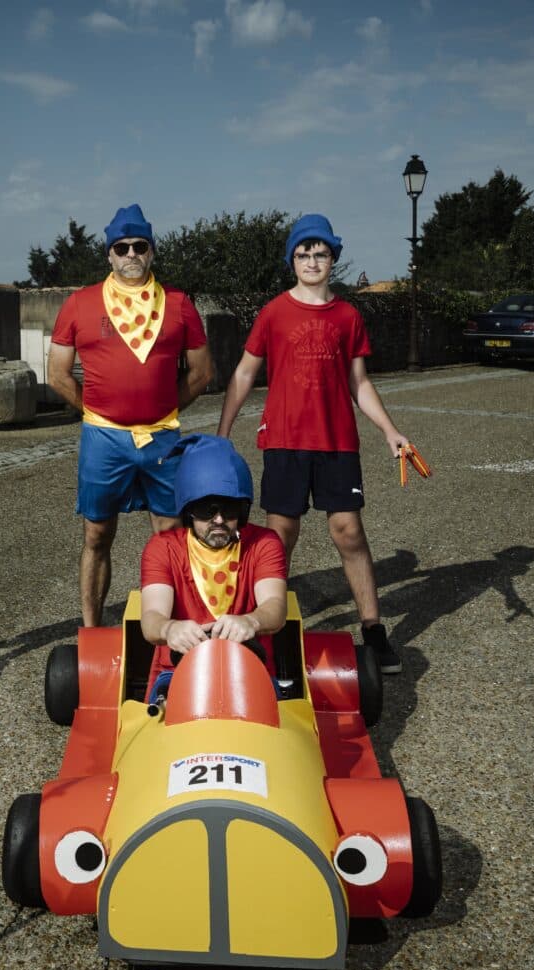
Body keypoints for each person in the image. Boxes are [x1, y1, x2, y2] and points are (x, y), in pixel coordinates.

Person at [217, 213, 407, 673]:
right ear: (292, 260)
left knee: (349, 532)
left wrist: (390, 430)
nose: (312, 260)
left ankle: (373, 632)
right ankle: (264, 631)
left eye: (320, 253)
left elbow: (358, 383)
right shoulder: (274, 312)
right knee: (280, 537)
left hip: (337, 442)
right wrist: (222, 434)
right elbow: (244, 373)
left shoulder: (348, 315)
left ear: (333, 259)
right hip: (284, 442)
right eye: (303, 253)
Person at [48, 203, 214, 627]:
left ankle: (178, 623)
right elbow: (57, 374)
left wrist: (164, 409)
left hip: (162, 435)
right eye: (121, 248)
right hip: (103, 438)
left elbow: (202, 372)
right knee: (97, 534)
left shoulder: (178, 304)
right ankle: (90, 628)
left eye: (140, 246)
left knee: (171, 534)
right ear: (109, 254)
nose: (130, 254)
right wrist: (98, 409)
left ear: (152, 251)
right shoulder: (80, 304)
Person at [140, 434, 288, 696]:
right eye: (207, 509)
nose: (218, 519)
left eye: (229, 508)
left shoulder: (265, 543)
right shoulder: (162, 547)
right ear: (189, 510)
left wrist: (251, 621)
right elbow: (151, 619)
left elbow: (275, 608)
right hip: (176, 675)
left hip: (249, 672)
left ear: (241, 511)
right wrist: (169, 628)